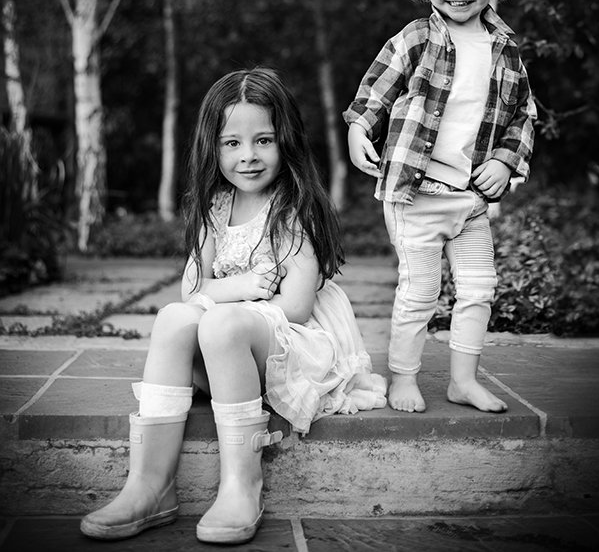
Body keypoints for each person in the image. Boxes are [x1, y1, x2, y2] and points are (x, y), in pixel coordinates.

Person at [81, 67, 386, 545]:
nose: (248, 155)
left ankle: (242, 485)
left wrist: (223, 302)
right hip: (228, 347)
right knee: (173, 318)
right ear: (213, 147)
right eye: (232, 143)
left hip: (290, 349)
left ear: (286, 141)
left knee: (220, 323)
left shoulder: (293, 208)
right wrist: (240, 285)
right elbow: (189, 293)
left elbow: (296, 307)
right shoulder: (215, 207)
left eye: (264, 140)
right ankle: (149, 485)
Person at [344, 0, 536, 416]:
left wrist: (504, 161)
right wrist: (359, 129)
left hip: (470, 202)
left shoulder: (504, 49)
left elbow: (523, 114)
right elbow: (374, 93)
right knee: (420, 293)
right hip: (416, 196)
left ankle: (462, 381)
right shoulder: (416, 38)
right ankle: (404, 377)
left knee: (479, 290)